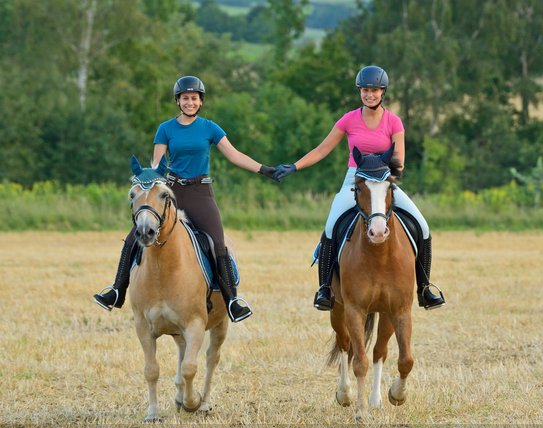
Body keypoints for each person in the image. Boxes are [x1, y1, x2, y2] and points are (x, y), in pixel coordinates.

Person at [94, 75, 275, 322]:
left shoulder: (210, 128)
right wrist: (149, 181)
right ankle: (116, 291)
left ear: (200, 102)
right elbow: (156, 164)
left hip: (201, 193)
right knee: (134, 235)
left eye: (194, 98)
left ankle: (232, 300)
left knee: (216, 242)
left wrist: (265, 169)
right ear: (178, 101)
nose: (190, 102)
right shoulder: (165, 128)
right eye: (185, 98)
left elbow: (234, 156)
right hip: (171, 192)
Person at [272, 66, 446, 311]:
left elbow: (401, 161)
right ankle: (324, 289)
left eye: (374, 90)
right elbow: (322, 149)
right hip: (355, 180)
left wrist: (383, 175)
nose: (369, 95)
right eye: (365, 90)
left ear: (382, 92)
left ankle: (425, 288)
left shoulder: (394, 122)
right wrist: (294, 166)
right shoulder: (349, 119)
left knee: (423, 226)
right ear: (360, 92)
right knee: (332, 225)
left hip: (384, 181)